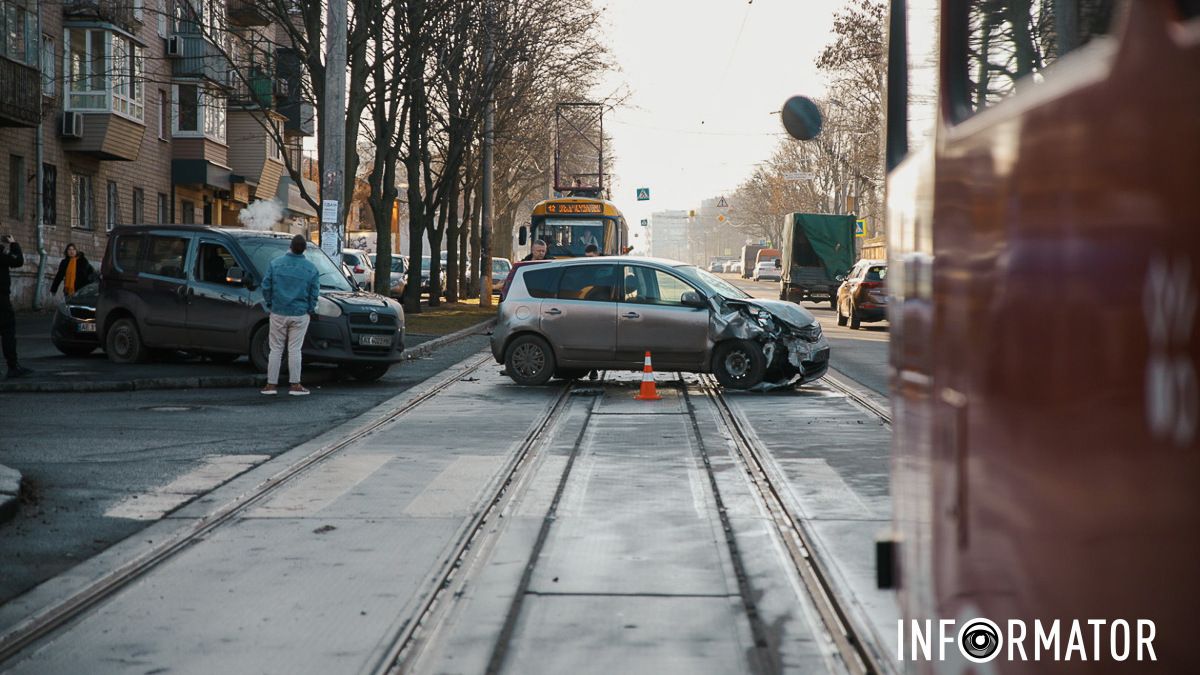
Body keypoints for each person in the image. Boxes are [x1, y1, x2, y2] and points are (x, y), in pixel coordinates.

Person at [260, 235, 320, 396]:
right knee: (295, 350)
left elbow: (266, 286)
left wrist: (270, 303)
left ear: (290, 246)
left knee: (276, 349)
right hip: (300, 313)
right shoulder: (311, 268)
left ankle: (271, 385)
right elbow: (314, 293)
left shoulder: (276, 264)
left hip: (278, 311)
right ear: (304, 249)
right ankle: (295, 385)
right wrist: (309, 308)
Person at [0, 234, 32, 378]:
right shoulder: (1, 256)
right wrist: (13, 243)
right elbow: (18, 260)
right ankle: (13, 367)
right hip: (1, 300)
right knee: (8, 331)